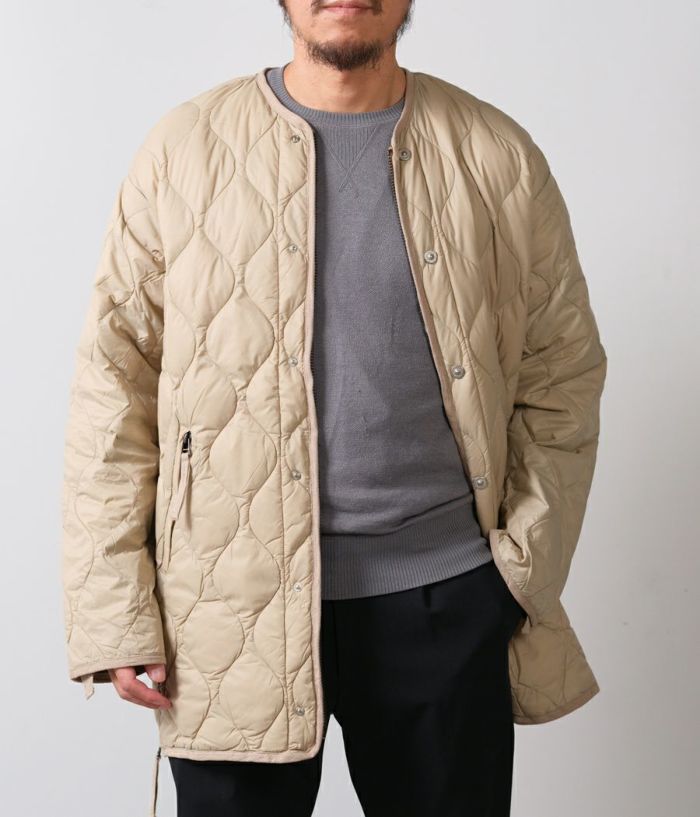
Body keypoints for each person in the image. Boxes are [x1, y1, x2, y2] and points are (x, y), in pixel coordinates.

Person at [60, 1, 608, 815]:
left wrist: (516, 571)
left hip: (447, 597)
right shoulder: (183, 151)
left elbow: (561, 373)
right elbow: (114, 387)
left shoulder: (496, 155)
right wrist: (116, 611)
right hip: (228, 608)